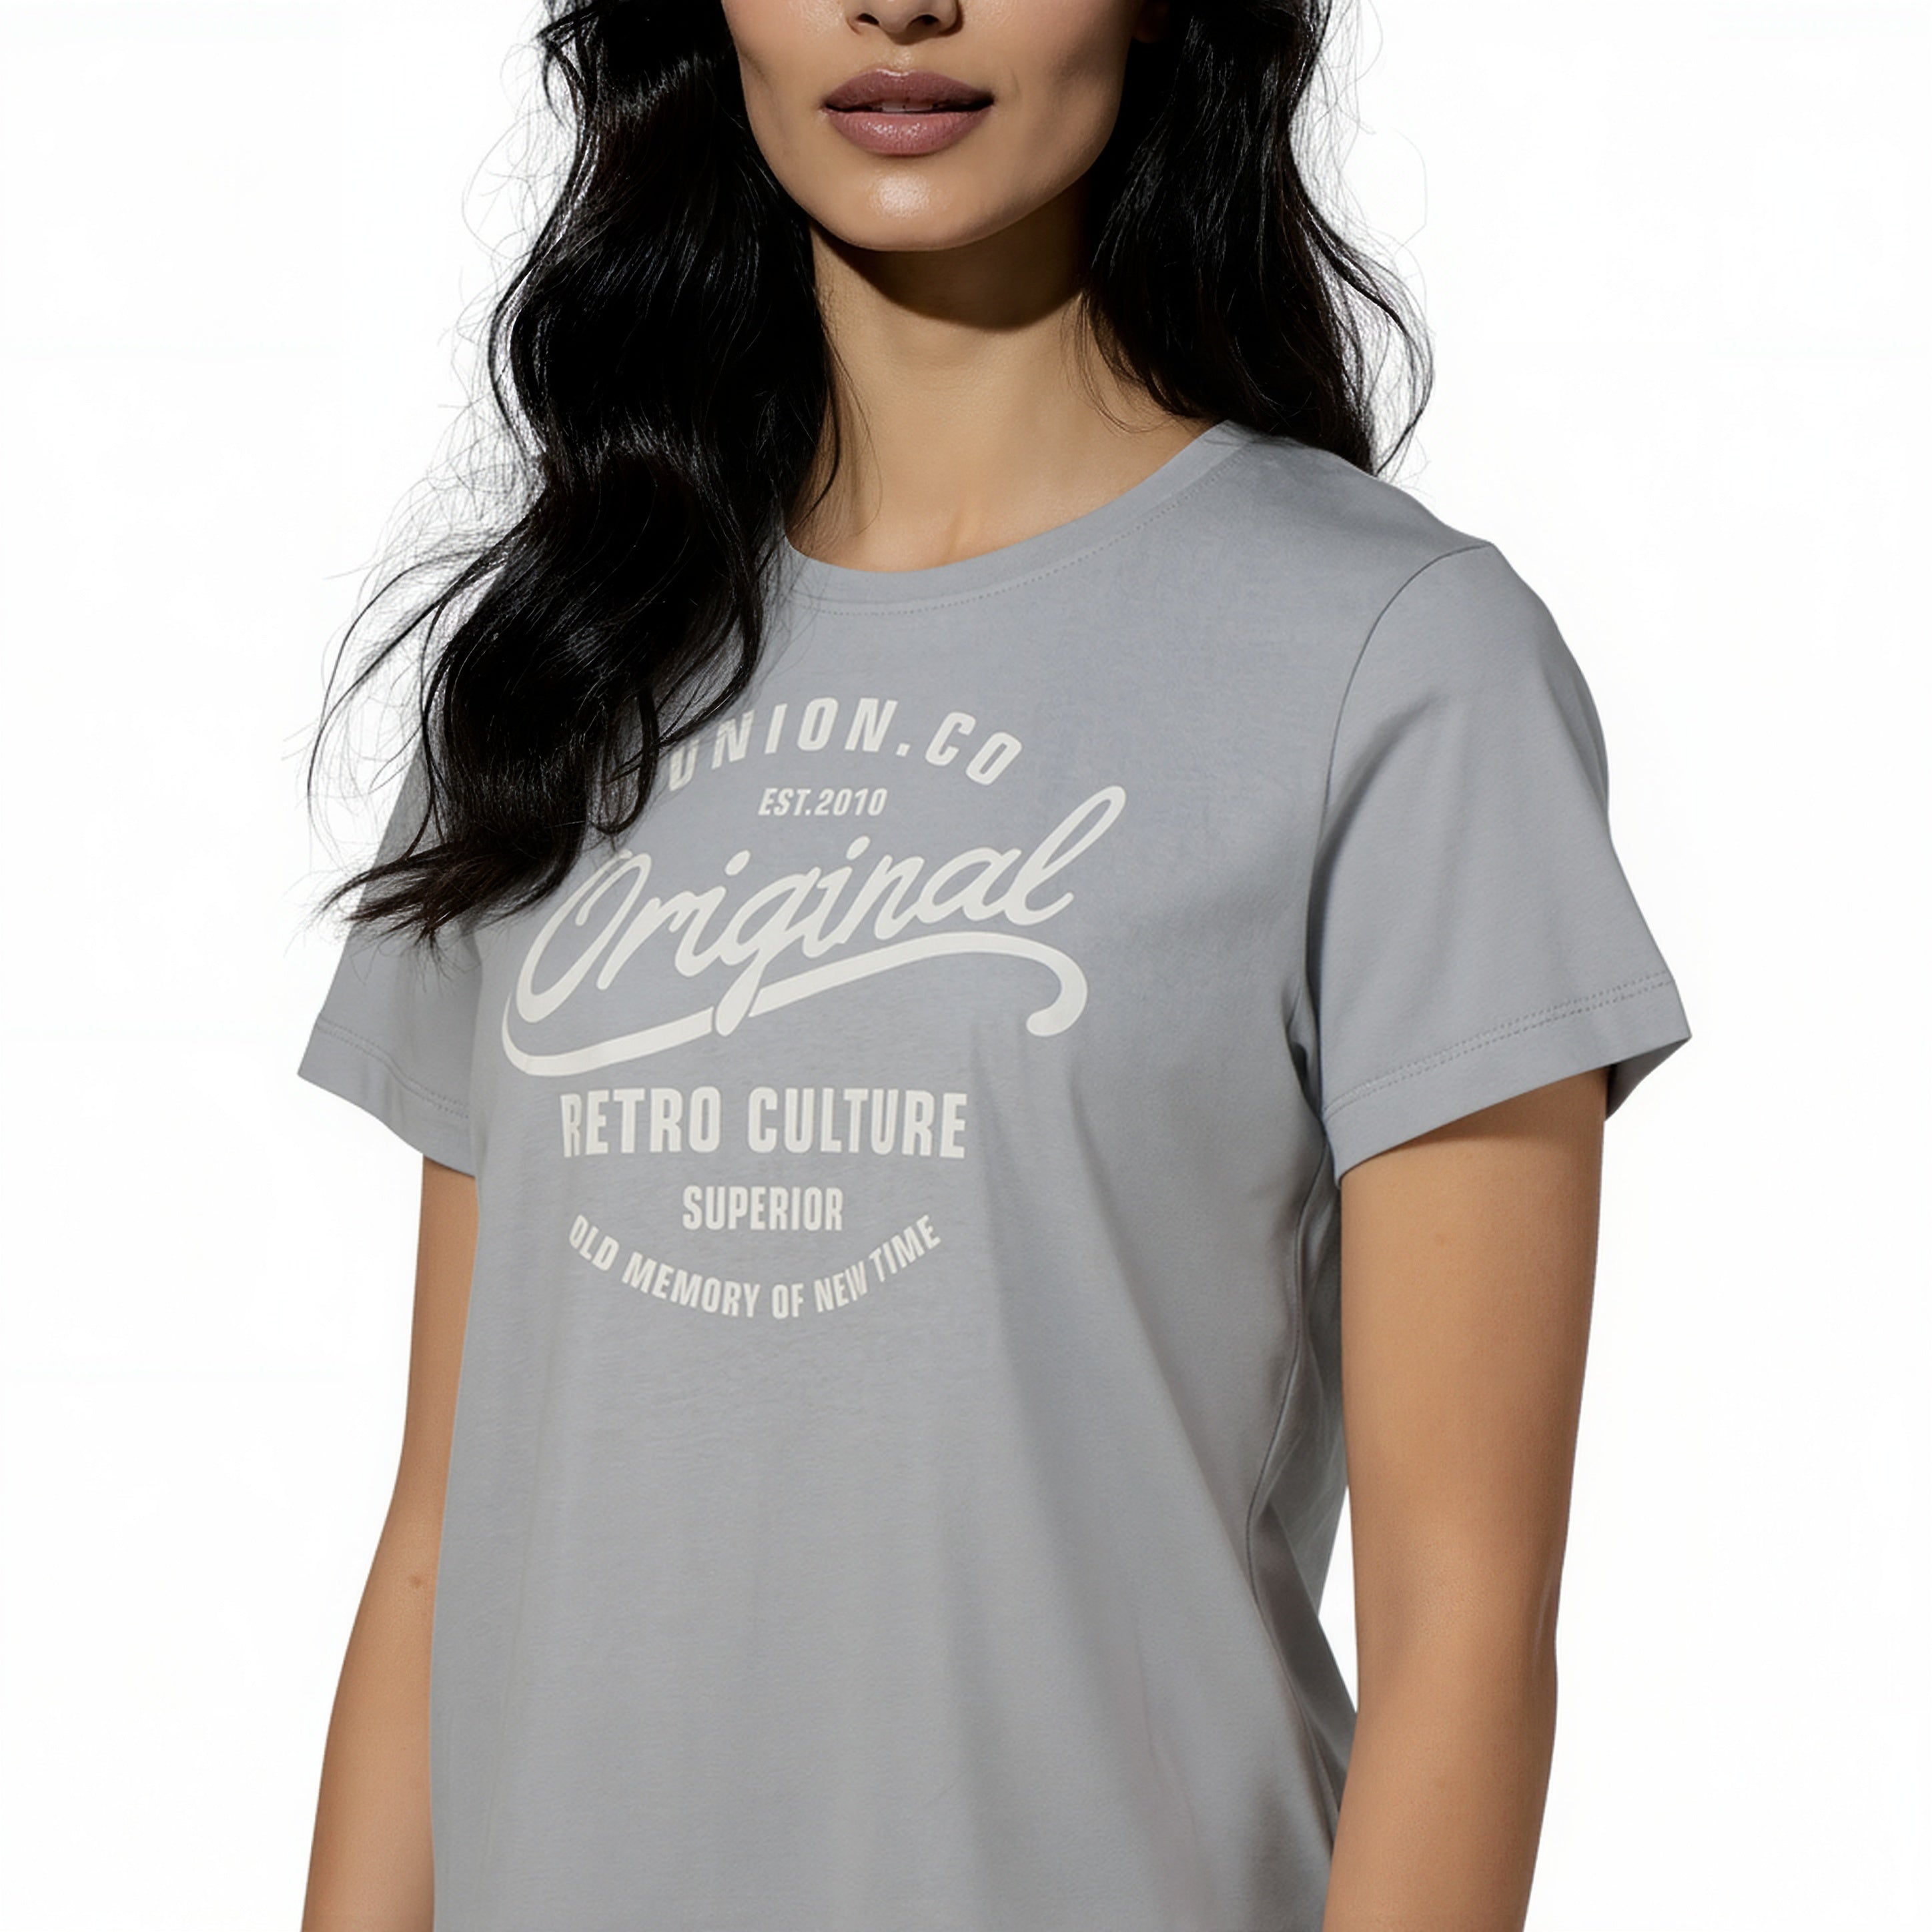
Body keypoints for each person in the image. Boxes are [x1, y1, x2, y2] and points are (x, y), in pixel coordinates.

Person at [294, 1, 1690, 1927]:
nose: (901, 3)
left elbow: (1469, 1620)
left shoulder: (1395, 661)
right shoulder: (561, 666)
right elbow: (445, 1530)